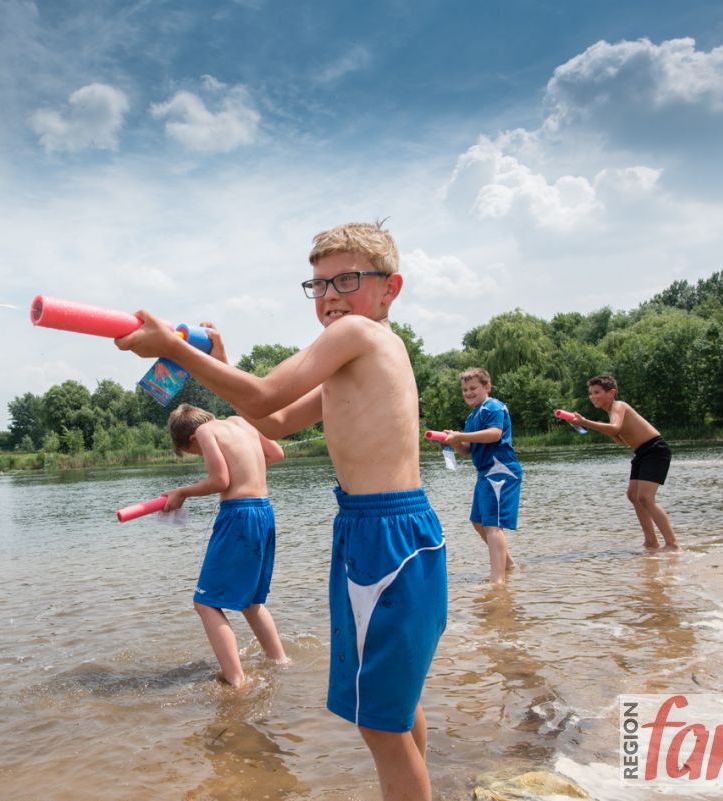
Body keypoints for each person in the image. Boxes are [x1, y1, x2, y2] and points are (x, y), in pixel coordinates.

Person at [117, 222, 447, 801]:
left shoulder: (358, 337)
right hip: (375, 530)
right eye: (317, 285)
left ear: (390, 288)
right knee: (392, 704)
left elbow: (265, 396)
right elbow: (270, 420)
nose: (330, 297)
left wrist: (173, 349)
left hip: (386, 536)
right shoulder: (355, 355)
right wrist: (220, 360)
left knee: (379, 721)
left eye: (347, 279)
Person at [161, 402, 288, 689]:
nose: (199, 455)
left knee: (205, 603)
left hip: (239, 516)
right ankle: (280, 661)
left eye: (195, 453)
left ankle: (236, 680)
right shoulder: (241, 421)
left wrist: (182, 492)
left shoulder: (205, 432)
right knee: (252, 601)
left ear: (191, 439)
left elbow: (220, 480)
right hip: (264, 512)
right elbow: (276, 453)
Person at [565, 374, 681, 552]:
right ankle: (651, 541)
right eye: (590, 393)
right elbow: (620, 435)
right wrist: (610, 433)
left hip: (655, 449)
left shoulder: (619, 405)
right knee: (633, 495)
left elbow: (616, 427)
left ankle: (673, 544)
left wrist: (585, 422)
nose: (592, 397)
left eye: (596, 392)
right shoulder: (610, 411)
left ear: (611, 392)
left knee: (645, 497)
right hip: (642, 452)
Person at [440, 368, 521, 584]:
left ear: (487, 387)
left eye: (473, 388)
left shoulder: (492, 407)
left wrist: (461, 435)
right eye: (465, 389)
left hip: (501, 470)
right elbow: (467, 451)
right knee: (478, 521)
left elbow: (494, 434)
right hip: (485, 472)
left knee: (493, 525)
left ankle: (498, 580)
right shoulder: (472, 416)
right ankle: (508, 564)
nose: (468, 392)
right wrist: (455, 441)